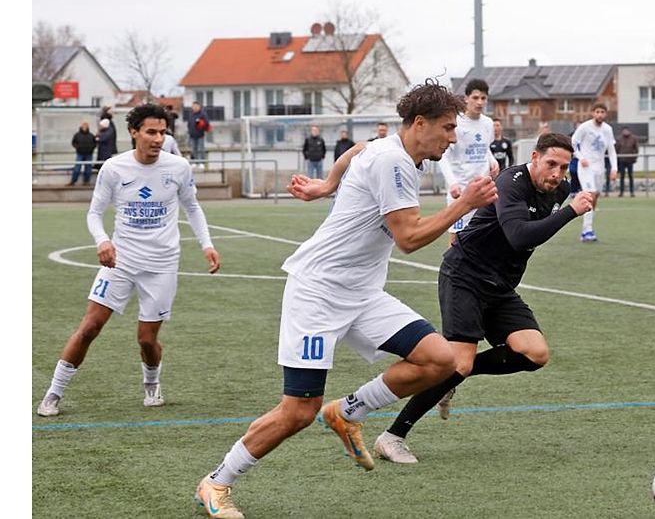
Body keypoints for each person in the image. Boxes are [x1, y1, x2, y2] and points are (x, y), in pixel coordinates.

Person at [194, 79, 498, 519]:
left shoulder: (392, 150)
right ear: (419, 123)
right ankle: (216, 482)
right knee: (298, 411)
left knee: (439, 361)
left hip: (362, 292)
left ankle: (348, 412)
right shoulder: (395, 161)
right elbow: (409, 238)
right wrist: (465, 203)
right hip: (319, 292)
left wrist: (326, 185)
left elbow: (358, 148)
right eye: (448, 128)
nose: (453, 138)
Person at [374, 133, 595, 464]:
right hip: (465, 275)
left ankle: (451, 378)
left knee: (535, 353)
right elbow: (519, 236)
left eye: (564, 167)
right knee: (458, 360)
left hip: (500, 287)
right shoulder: (512, 182)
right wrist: (571, 213)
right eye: (551, 164)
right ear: (534, 157)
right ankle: (392, 436)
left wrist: (566, 207)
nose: (557, 174)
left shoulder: (559, 191)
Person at [36, 103, 221, 418]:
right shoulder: (114, 168)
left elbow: (192, 207)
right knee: (90, 326)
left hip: (162, 264)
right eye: (151, 132)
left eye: (163, 132)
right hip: (120, 261)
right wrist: (103, 240)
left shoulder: (178, 168)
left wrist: (207, 244)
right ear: (134, 132)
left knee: (147, 340)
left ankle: (152, 385)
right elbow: (94, 213)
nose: (158, 138)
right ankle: (53, 394)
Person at [438, 78, 500, 245]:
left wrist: (493, 161)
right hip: (461, 191)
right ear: (466, 98)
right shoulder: (455, 123)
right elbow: (443, 156)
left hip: (483, 189)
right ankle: (452, 271)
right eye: (475, 97)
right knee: (456, 238)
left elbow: (485, 148)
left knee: (482, 237)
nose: (479, 102)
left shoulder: (487, 123)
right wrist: (452, 183)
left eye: (483, 98)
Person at [571, 103, 617, 242]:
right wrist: (581, 157)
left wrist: (614, 168)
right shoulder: (585, 127)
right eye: (597, 111)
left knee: (595, 196)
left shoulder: (608, 129)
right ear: (593, 113)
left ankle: (587, 228)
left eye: (602, 112)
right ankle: (588, 230)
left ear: (605, 114)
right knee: (589, 194)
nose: (599, 114)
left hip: (599, 167)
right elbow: (572, 143)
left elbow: (611, 150)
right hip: (586, 167)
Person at [68, 121, 97, 186]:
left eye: (86, 126)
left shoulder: (91, 135)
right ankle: (73, 181)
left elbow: (95, 143)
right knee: (77, 168)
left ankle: (86, 181)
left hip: (89, 154)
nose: (84, 128)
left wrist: (91, 148)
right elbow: (73, 142)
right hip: (80, 153)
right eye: (83, 126)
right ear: (81, 127)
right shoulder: (77, 135)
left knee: (88, 168)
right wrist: (77, 147)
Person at [615, 127, 640, 197]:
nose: (626, 132)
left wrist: (634, 158)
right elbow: (616, 149)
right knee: (622, 177)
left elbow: (636, 149)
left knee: (631, 176)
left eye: (627, 131)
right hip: (622, 160)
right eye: (624, 131)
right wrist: (617, 160)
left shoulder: (633, 139)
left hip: (630, 161)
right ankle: (621, 192)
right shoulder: (619, 139)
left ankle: (632, 192)